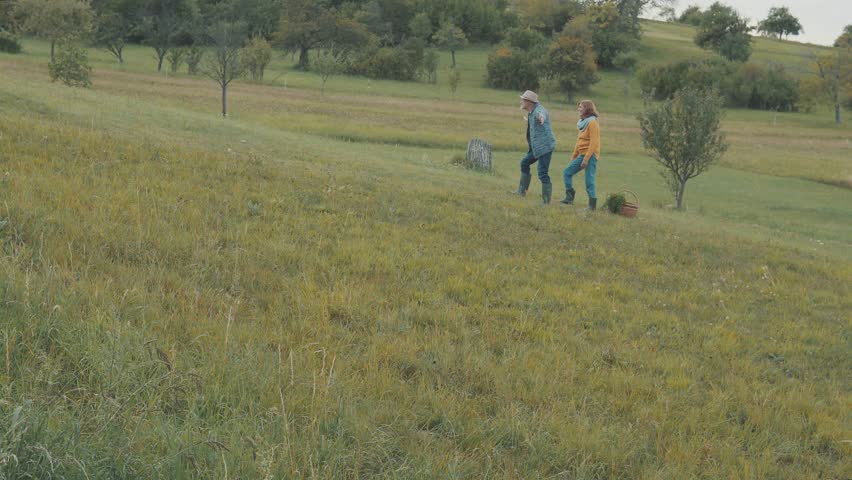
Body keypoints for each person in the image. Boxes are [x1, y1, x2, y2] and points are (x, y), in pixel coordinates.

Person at [513, 90, 557, 204]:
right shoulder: (531, 111)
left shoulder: (538, 110)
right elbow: (535, 118)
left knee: (542, 172)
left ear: (529, 102)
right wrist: (529, 120)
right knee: (524, 163)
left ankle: (546, 201)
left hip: (545, 147)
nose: (521, 101)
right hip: (536, 148)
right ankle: (521, 191)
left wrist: (541, 118)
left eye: (523, 99)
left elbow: (541, 114)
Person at [561, 100, 601, 210]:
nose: (578, 109)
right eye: (578, 107)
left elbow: (594, 142)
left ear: (587, 109)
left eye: (581, 107)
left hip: (590, 156)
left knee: (589, 181)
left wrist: (586, 158)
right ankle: (569, 198)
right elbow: (579, 142)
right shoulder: (582, 123)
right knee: (567, 172)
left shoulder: (593, 123)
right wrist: (573, 157)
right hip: (582, 155)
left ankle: (592, 206)